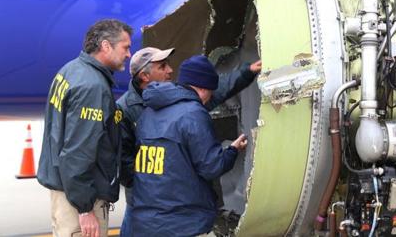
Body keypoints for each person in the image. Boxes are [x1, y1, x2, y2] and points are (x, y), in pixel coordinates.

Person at [132, 55, 259, 237]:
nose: (210, 99)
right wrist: (232, 150)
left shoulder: (149, 111)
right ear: (201, 88)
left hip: (147, 221)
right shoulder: (194, 113)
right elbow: (211, 167)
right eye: (210, 91)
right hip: (183, 223)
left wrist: (246, 72)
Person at [37, 19, 133, 237]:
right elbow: (78, 152)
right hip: (78, 199)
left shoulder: (71, 70)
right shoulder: (93, 87)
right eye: (125, 47)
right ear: (106, 45)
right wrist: (85, 208)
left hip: (64, 189)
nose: (129, 54)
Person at [117, 47, 175, 237]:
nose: (170, 71)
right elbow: (123, 163)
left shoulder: (172, 97)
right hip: (143, 205)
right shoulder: (124, 109)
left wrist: (245, 73)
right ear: (144, 76)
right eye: (163, 66)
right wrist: (150, 186)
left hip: (171, 202)